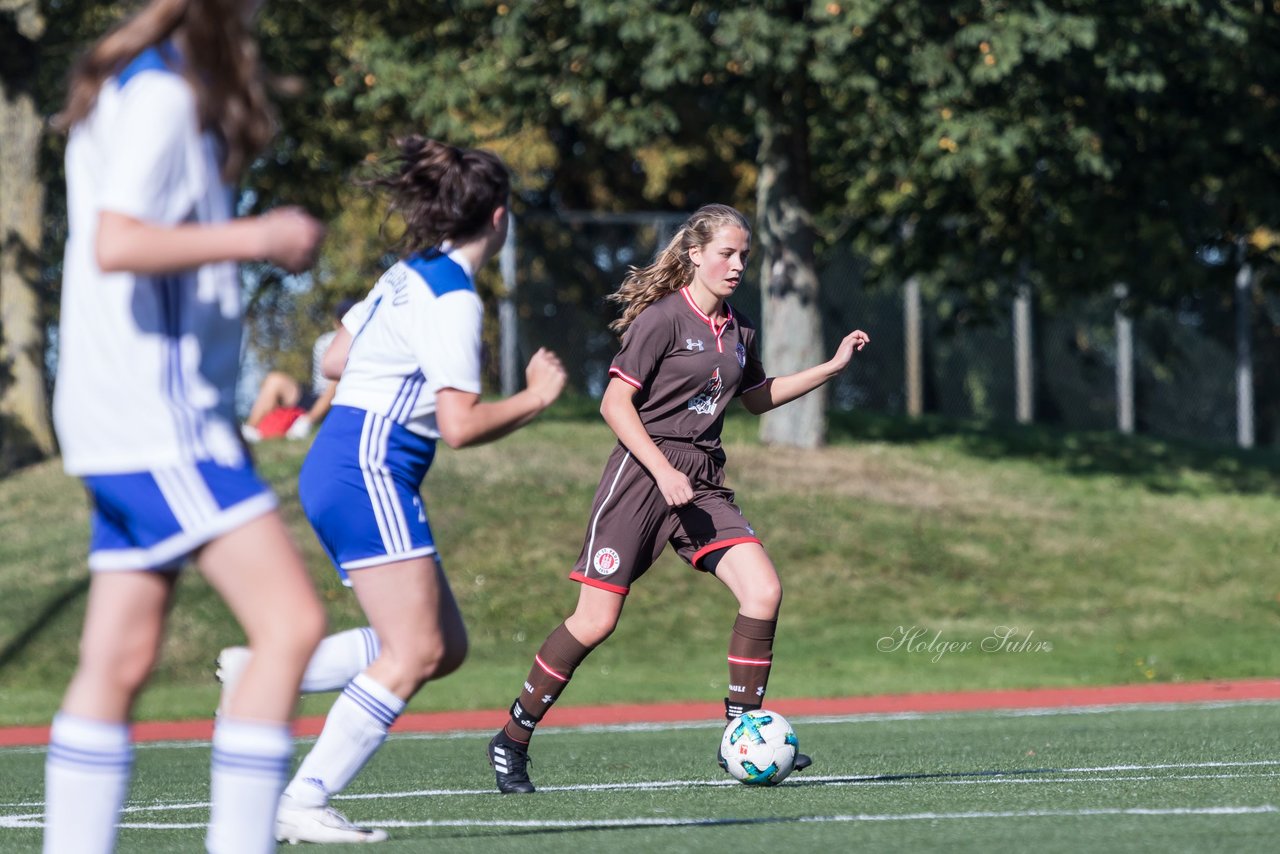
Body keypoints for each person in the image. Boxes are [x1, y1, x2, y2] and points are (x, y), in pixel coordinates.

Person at [218, 136, 567, 844]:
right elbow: (460, 426)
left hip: (343, 462)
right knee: (411, 654)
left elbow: (335, 357)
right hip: (368, 467)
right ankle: (304, 797)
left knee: (445, 645)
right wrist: (535, 398)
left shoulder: (410, 272)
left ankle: (264, 668)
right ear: (498, 219)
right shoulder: (453, 299)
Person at [45, 1, 329, 852]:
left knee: (119, 663)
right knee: (291, 627)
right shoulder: (161, 95)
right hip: (151, 417)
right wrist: (263, 234)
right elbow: (118, 243)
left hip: (131, 413)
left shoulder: (128, 86)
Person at [485, 204, 870, 794]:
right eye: (727, 253)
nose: (738, 265)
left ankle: (741, 731)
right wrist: (661, 469)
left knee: (763, 590)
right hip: (642, 476)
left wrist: (833, 366)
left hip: (703, 480)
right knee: (595, 621)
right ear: (695, 254)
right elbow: (614, 404)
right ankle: (512, 740)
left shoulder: (740, 328)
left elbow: (757, 397)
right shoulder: (662, 320)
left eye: (745, 256)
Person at [241, 298, 358, 443]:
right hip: (318, 396)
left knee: (338, 378)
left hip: (346, 401)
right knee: (275, 380)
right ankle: (250, 430)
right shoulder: (325, 341)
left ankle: (307, 422)